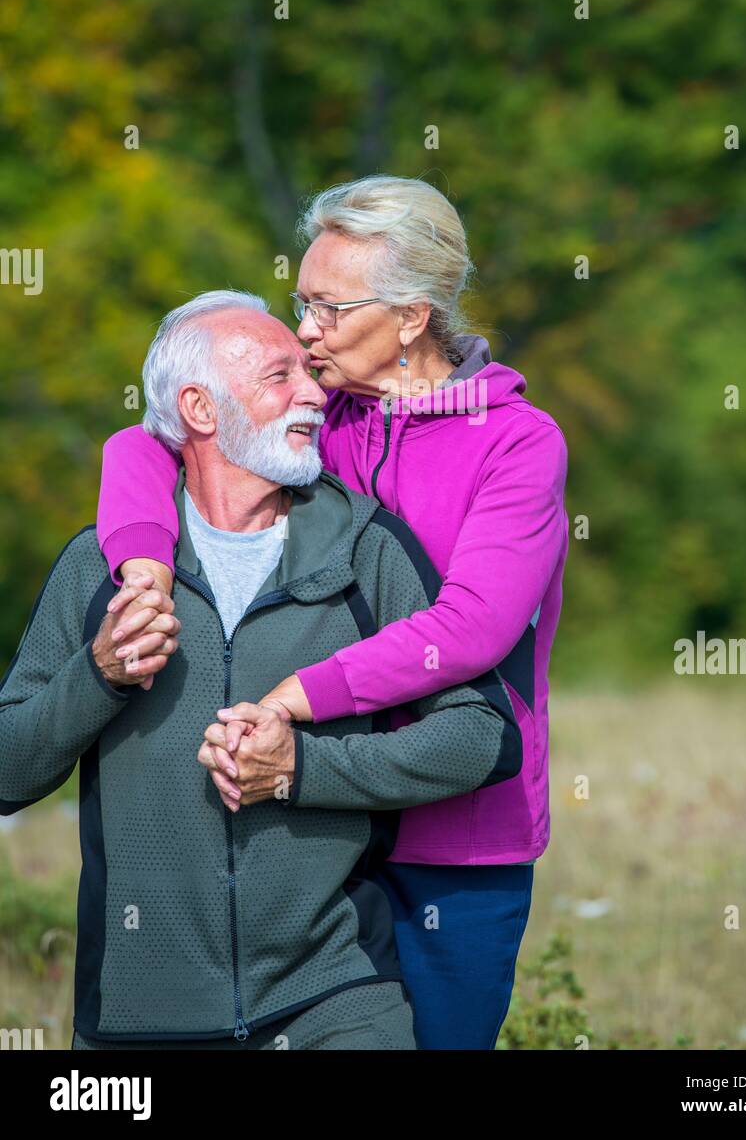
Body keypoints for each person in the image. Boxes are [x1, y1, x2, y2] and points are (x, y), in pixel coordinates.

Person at [96, 175, 570, 1050]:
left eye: (327, 307)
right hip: (315, 824)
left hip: (455, 839)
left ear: (411, 317)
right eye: (299, 303)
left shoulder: (518, 443)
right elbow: (142, 439)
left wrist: (291, 696)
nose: (306, 330)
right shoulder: (323, 417)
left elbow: (468, 630)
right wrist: (145, 569)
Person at [0, 291, 520, 1049]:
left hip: (338, 1001)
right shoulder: (99, 570)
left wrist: (302, 769)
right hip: (138, 1023)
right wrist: (100, 674)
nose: (315, 391)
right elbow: (9, 770)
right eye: (281, 376)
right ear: (201, 411)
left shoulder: (368, 552)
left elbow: (481, 739)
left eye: (307, 372)